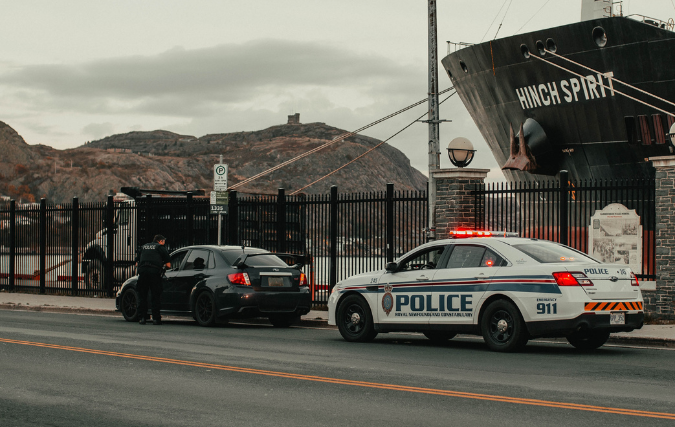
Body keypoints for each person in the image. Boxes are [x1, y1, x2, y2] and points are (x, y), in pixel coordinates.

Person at [135, 234, 171, 325]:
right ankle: (156, 319)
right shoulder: (160, 248)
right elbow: (168, 265)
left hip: (142, 272)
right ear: (160, 241)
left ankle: (142, 318)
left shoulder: (144, 247)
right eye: (163, 242)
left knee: (142, 296)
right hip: (154, 273)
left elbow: (136, 263)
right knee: (155, 296)